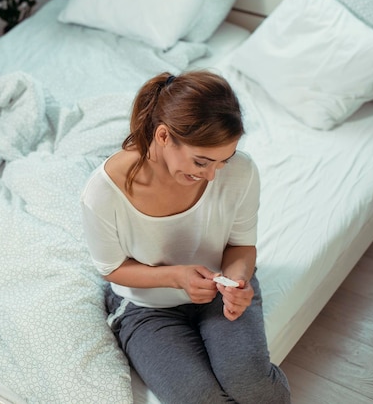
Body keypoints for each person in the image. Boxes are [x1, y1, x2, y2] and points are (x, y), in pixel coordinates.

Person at [80, 71, 291, 403]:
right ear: (164, 136)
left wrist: (237, 283)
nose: (210, 175)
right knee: (199, 398)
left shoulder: (241, 173)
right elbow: (111, 268)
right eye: (201, 161)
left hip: (220, 289)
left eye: (224, 161)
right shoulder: (104, 192)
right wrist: (177, 277)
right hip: (145, 306)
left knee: (253, 385)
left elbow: (241, 246)